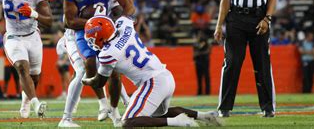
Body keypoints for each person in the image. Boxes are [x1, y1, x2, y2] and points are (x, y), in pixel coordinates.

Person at [82, 16, 221, 127]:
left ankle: (178, 122)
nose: (92, 42)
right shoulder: (124, 24)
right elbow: (130, 15)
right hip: (165, 75)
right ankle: (205, 116)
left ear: (101, 36)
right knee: (159, 115)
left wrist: (86, 80)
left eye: (93, 38)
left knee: (128, 121)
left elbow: (99, 82)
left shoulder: (108, 53)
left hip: (153, 82)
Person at [60, 0, 135, 126]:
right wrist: (95, 23)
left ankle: (120, 106)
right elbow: (69, 21)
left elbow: (128, 6)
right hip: (78, 30)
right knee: (86, 68)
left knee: (113, 68)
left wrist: (122, 23)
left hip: (103, 29)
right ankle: (96, 107)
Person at [214, 0, 278, 118]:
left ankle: (268, 108)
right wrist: (219, 25)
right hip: (236, 20)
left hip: (259, 19)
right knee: (232, 63)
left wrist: (267, 19)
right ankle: (224, 108)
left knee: (262, 64)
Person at [58, 0, 129, 128]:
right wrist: (95, 24)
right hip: (74, 36)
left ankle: (125, 101)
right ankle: (67, 118)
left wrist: (116, 24)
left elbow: (119, 10)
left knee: (109, 65)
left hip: (97, 34)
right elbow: (69, 22)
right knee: (81, 71)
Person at [193, 30, 211, 96]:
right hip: (198, 62)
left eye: (201, 34)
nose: (200, 36)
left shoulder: (207, 43)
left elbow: (208, 51)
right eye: (199, 35)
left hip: (205, 62)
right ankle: (199, 92)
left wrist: (199, 53)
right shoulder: (196, 44)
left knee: (206, 77)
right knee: (199, 78)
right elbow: (194, 55)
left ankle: (207, 92)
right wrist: (199, 54)